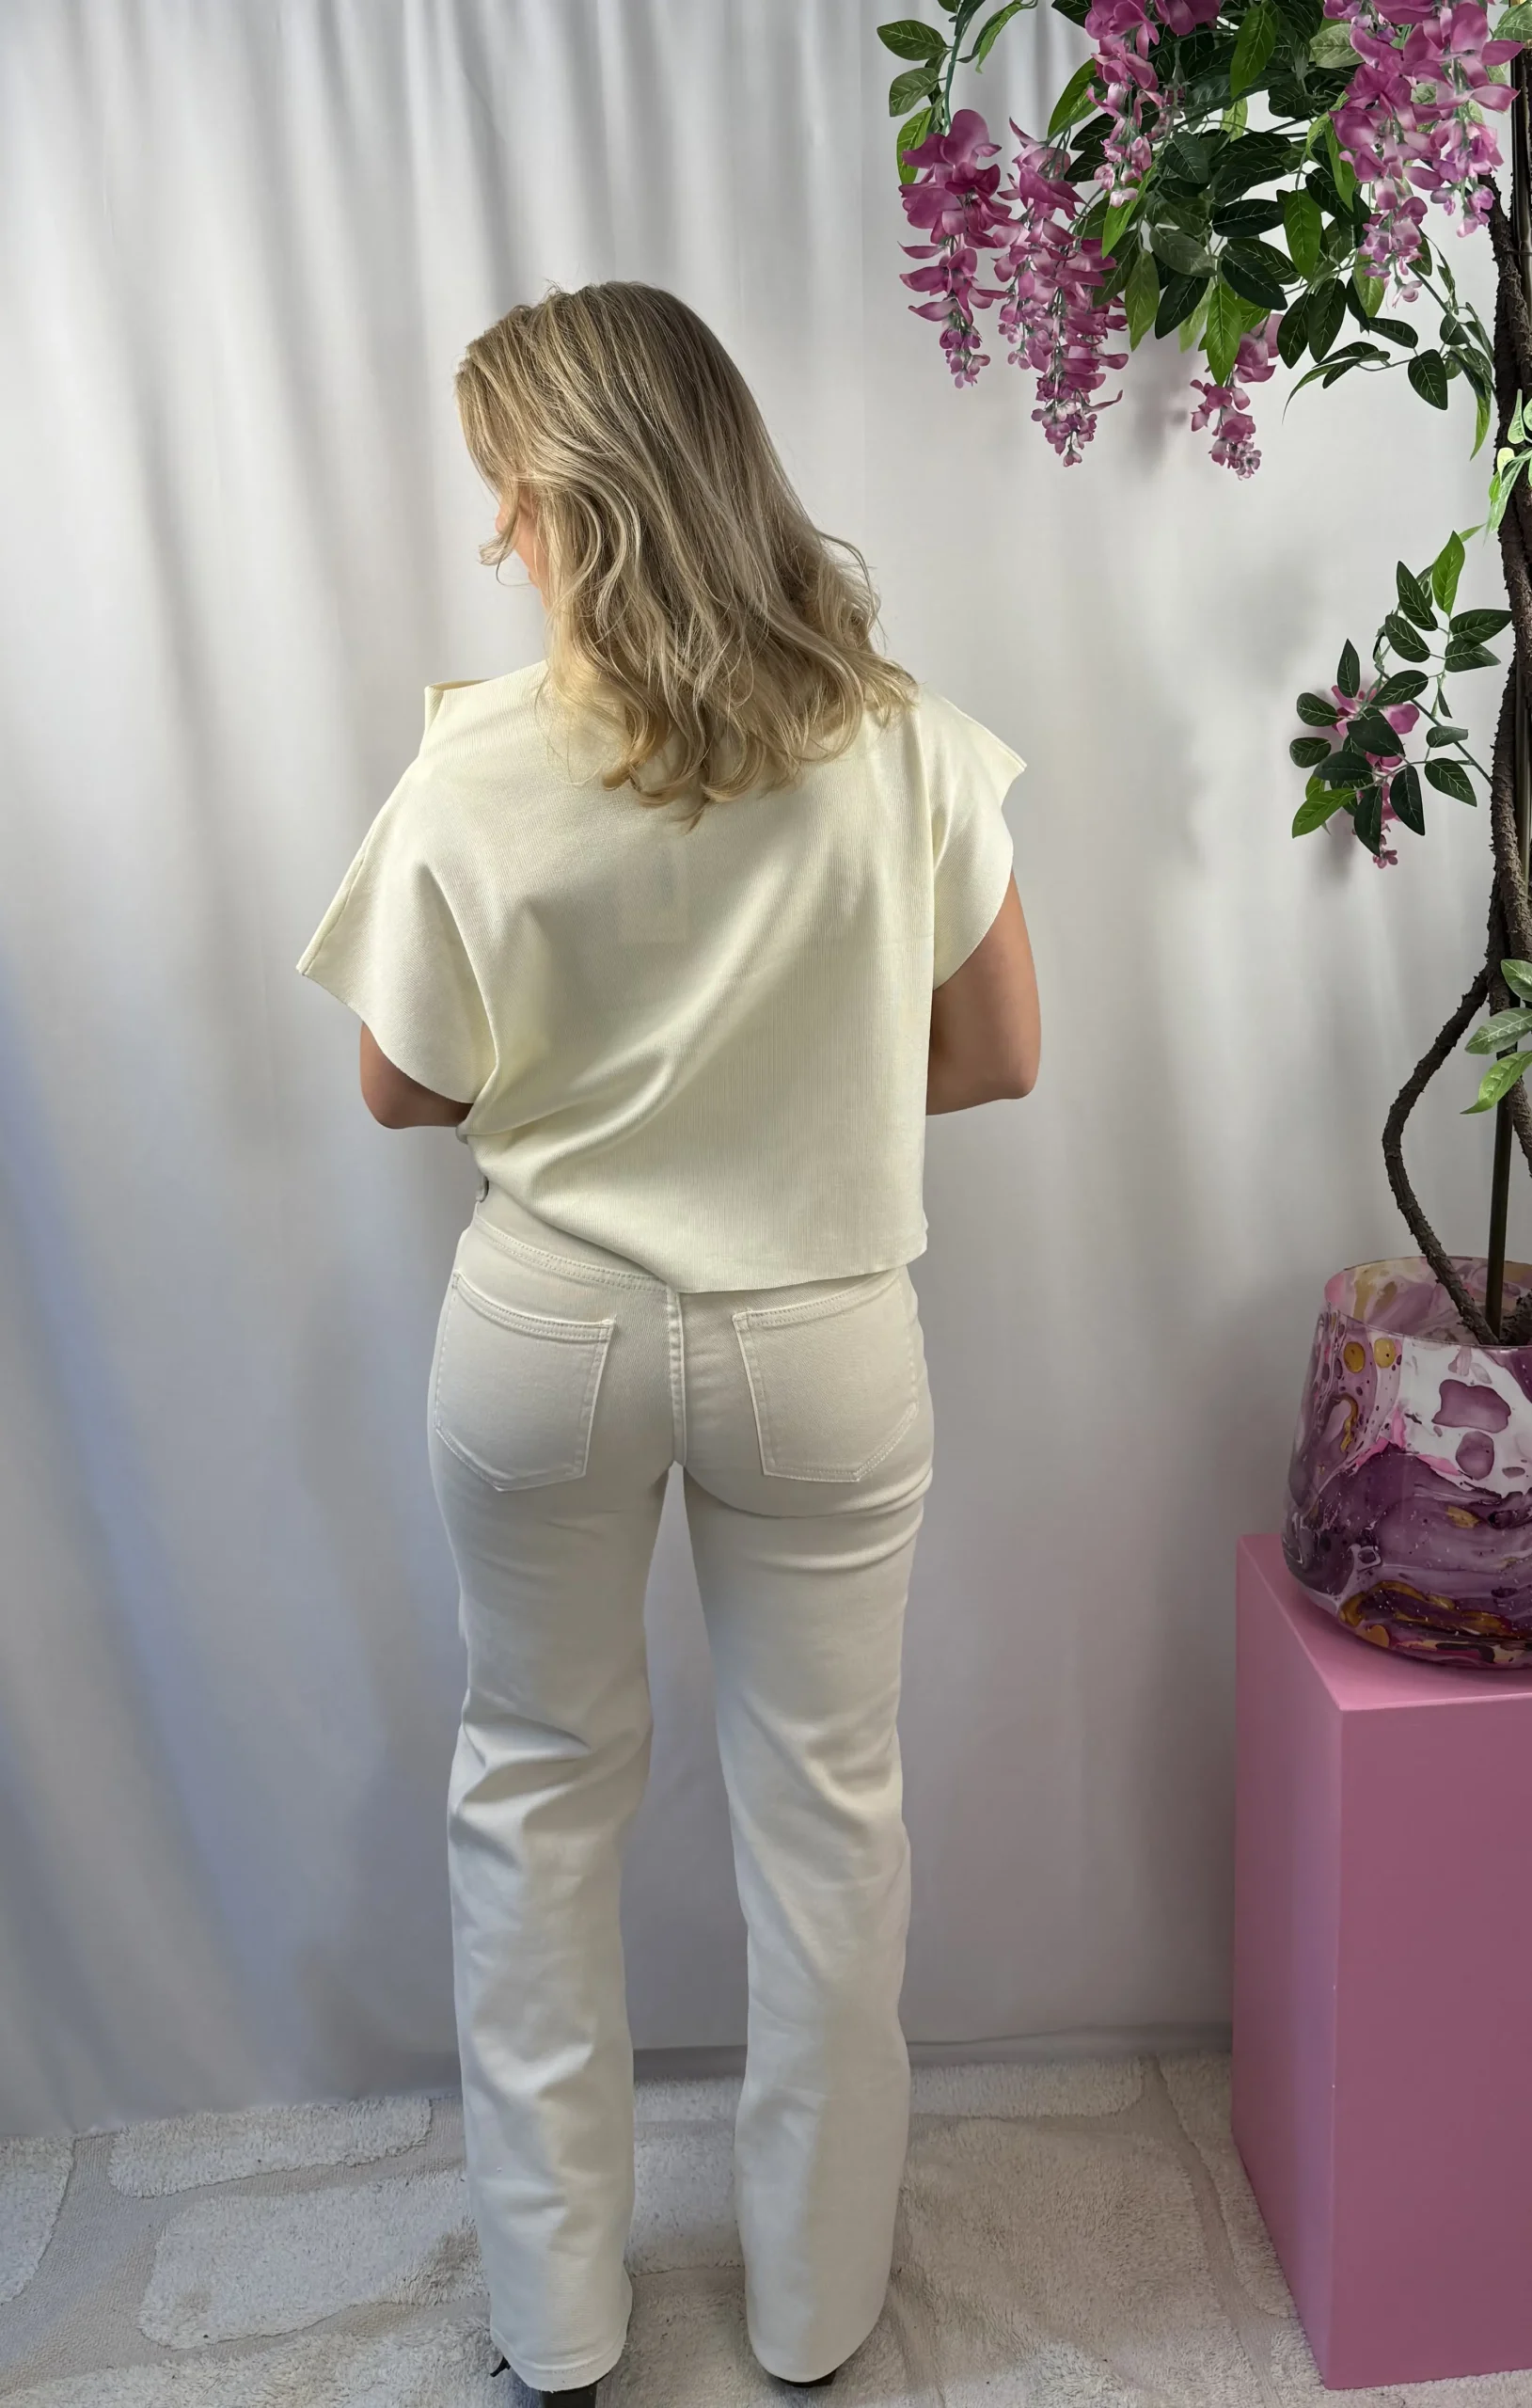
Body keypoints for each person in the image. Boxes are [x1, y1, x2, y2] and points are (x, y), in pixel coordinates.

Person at [295, 281, 1040, 2407]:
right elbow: (998, 1052)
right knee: (829, 1817)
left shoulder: (476, 760)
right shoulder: (907, 739)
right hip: (823, 1336)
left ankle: (557, 2320)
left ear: (573, 501)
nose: (492, 537)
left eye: (506, 496)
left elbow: (399, 1088)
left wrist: (603, 1068)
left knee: (534, 1789)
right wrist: (789, 1072)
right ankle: (815, 2310)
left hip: (548, 1335)